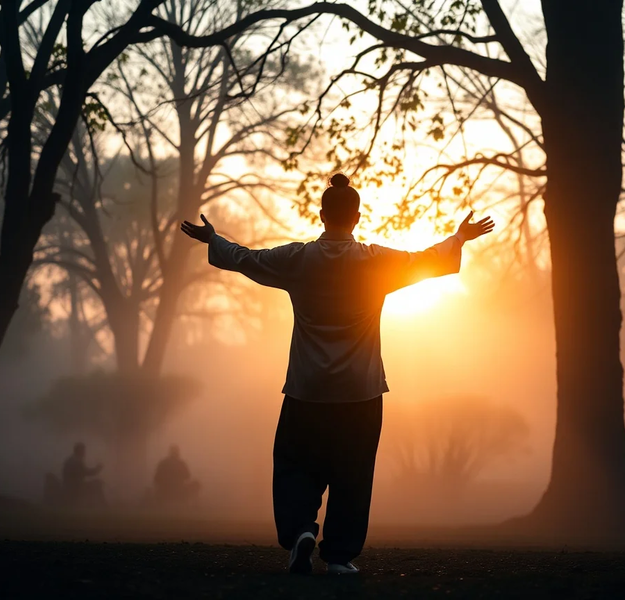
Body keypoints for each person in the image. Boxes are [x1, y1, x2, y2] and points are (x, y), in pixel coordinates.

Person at [180, 173, 494, 575]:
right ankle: (340, 557)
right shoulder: (375, 261)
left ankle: (299, 532)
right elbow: (425, 261)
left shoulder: (298, 259)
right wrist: (459, 238)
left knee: (295, 464)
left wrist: (214, 240)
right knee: (354, 474)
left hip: (306, 389)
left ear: (323, 214)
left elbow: (248, 259)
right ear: (357, 217)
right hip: (360, 392)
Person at [61, 442, 106, 508]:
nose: (85, 453)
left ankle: (100, 505)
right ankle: (103, 505)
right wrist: (98, 468)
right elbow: (87, 472)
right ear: (79, 451)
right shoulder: (77, 461)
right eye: (83, 450)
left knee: (96, 483)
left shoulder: (70, 459)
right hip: (75, 488)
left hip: (69, 486)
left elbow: (83, 472)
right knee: (97, 484)